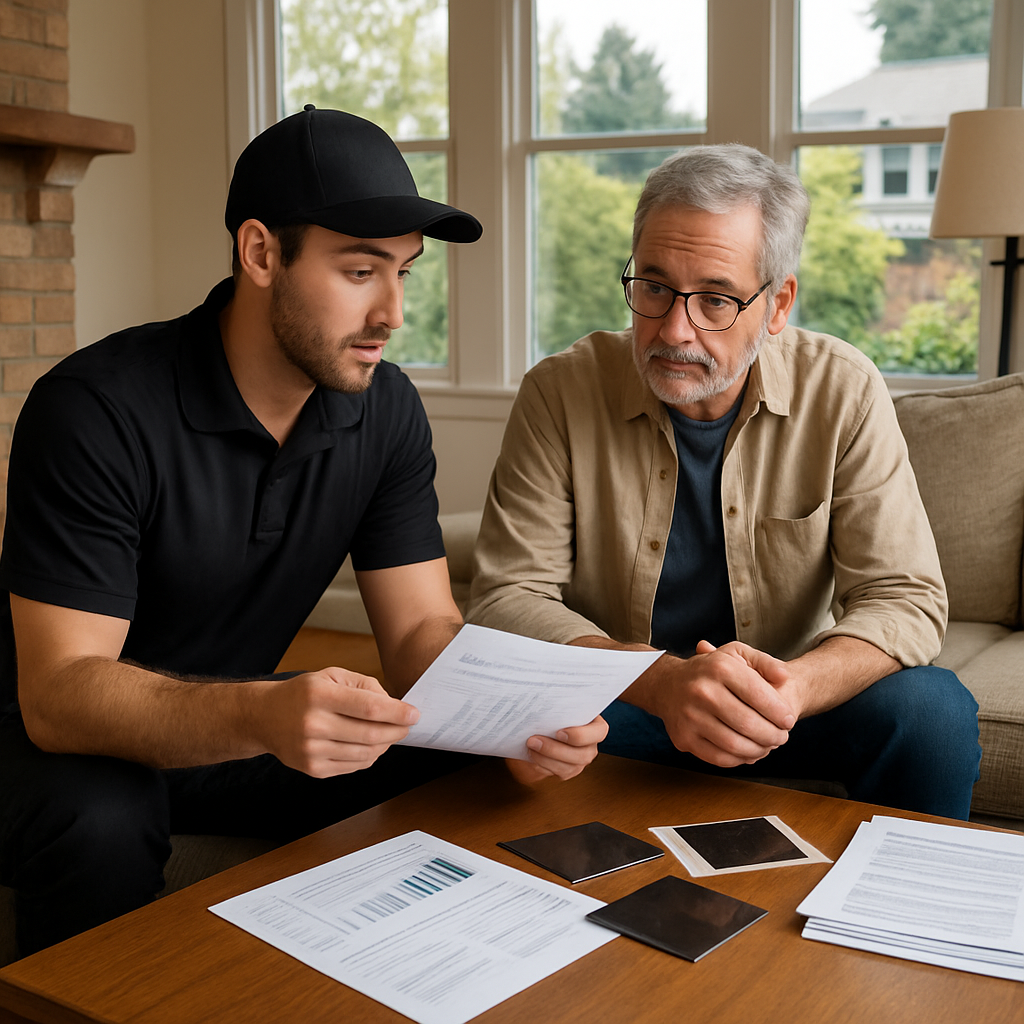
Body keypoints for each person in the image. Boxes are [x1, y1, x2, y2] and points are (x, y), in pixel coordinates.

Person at [0, 106, 604, 956]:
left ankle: (409, 978)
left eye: (404, 273)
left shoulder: (385, 409)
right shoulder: (97, 410)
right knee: (105, 811)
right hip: (48, 743)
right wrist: (265, 712)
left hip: (238, 724)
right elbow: (60, 695)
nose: (393, 312)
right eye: (361, 271)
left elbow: (420, 631)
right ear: (259, 253)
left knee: (454, 765)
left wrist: (512, 724)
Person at [468, 144, 981, 821]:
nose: (674, 329)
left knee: (932, 712)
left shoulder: (843, 388)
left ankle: (904, 917)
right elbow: (506, 596)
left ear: (777, 305)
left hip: (784, 710)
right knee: (486, 724)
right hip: (627, 706)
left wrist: (792, 689)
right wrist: (662, 682)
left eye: (714, 300)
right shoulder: (559, 391)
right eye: (653, 287)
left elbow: (904, 598)